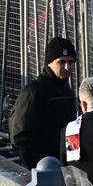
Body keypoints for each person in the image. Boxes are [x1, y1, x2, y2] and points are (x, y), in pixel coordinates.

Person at [10, 36, 79, 167]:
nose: (67, 67)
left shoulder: (65, 90)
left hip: (62, 164)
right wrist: (36, 166)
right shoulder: (34, 91)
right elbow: (19, 134)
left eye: (70, 62)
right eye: (61, 62)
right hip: (44, 167)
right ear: (49, 63)